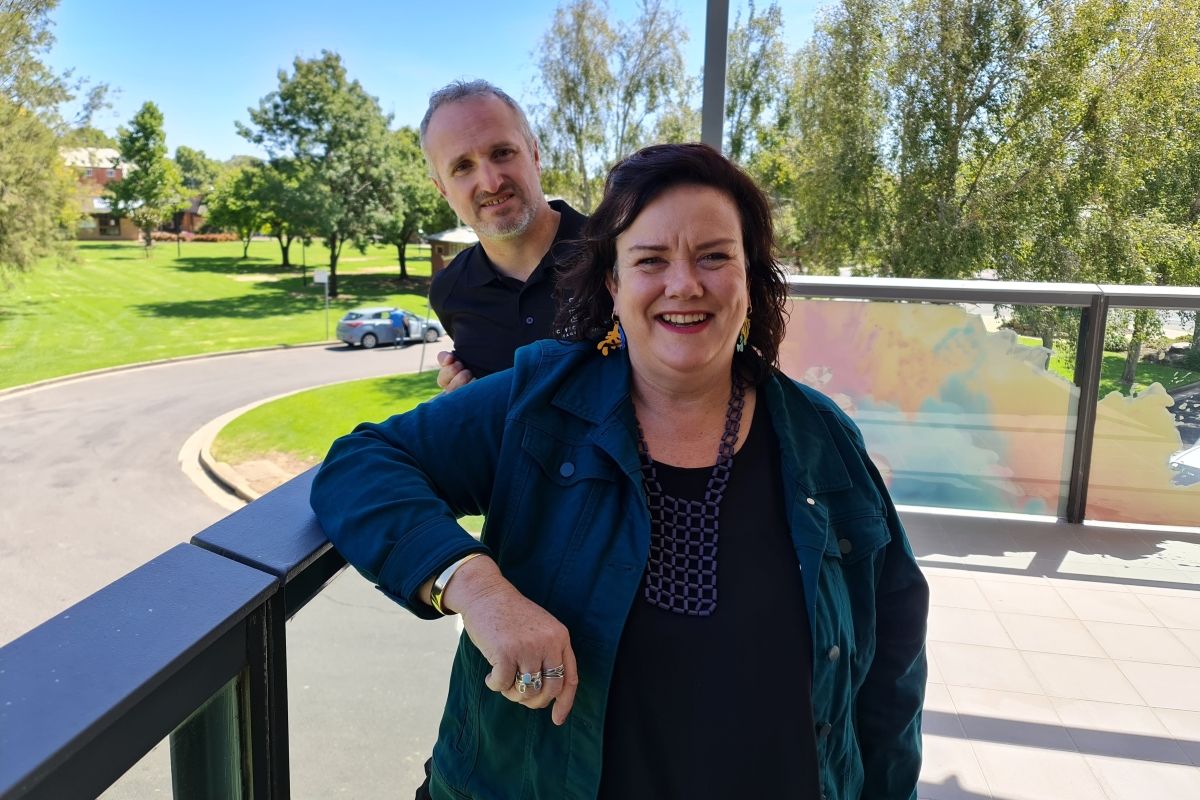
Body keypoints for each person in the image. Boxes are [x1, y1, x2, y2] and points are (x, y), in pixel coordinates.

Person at [310, 143, 928, 799]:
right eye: (651, 260)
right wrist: (476, 588)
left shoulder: (823, 440)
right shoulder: (539, 402)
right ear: (613, 283)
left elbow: (892, 663)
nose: (684, 283)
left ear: (749, 277)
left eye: (714, 256)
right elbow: (359, 463)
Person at [418, 80, 587, 392]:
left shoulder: (617, 252)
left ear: (535, 155)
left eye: (502, 152)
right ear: (442, 190)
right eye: (462, 167)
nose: (491, 182)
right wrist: (466, 403)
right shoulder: (449, 291)